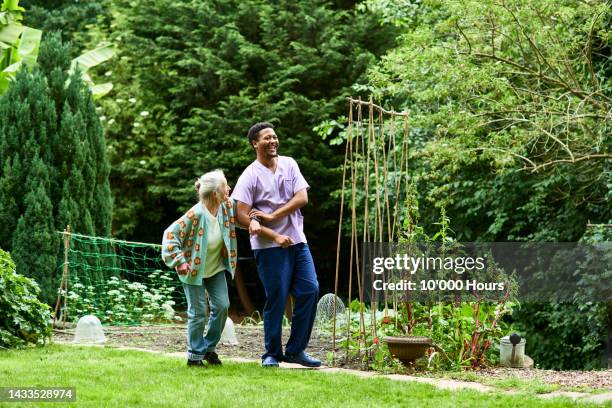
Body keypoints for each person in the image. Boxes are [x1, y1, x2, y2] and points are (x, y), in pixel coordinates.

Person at [231, 122, 320, 368]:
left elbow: (302, 197)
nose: (273, 141)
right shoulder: (250, 174)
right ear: (255, 144)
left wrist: (272, 216)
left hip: (296, 241)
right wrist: (271, 233)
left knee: (309, 289)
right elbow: (240, 214)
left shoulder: (290, 164)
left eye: (275, 137)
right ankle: (271, 353)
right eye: (267, 138)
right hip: (268, 247)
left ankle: (296, 350)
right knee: (277, 298)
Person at [161, 170, 238, 367]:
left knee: (222, 306)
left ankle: (208, 348)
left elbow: (242, 215)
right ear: (215, 193)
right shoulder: (195, 214)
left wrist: (256, 218)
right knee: (198, 312)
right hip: (192, 270)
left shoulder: (226, 206)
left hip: (215, 268)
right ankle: (194, 356)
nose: (229, 189)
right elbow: (170, 235)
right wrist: (180, 260)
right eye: (225, 186)